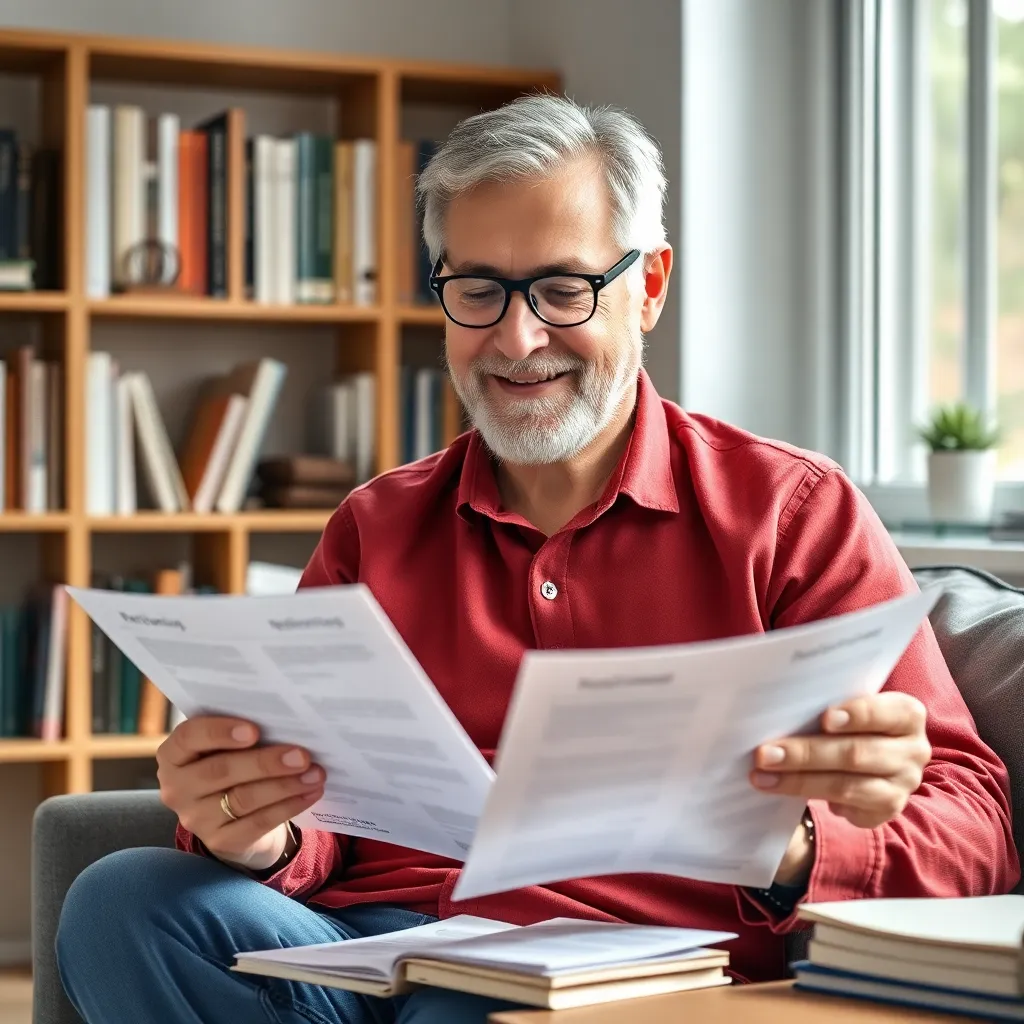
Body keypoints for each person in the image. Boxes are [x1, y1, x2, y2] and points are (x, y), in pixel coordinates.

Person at [56, 94, 1018, 1024]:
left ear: (647, 288)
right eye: (476, 290)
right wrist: (263, 834)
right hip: (374, 958)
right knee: (125, 899)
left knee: (464, 1007)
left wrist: (791, 845)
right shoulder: (375, 525)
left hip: (638, 980)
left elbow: (975, 829)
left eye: (563, 288)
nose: (517, 339)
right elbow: (324, 827)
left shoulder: (792, 514)